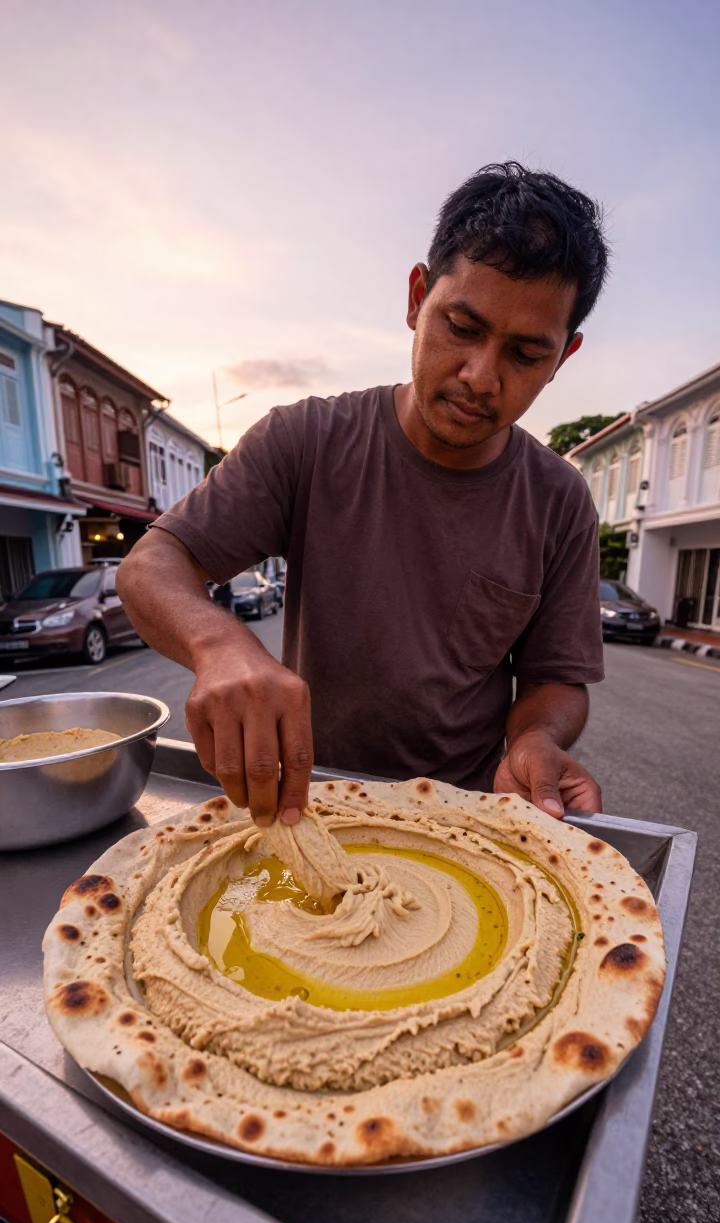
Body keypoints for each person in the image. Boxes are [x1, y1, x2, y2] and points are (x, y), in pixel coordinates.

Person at [117, 162, 607, 830]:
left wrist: (534, 740)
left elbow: (556, 677)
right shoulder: (308, 439)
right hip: (307, 806)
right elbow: (153, 563)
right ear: (416, 298)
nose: (480, 376)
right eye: (462, 327)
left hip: (466, 822)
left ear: (564, 357)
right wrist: (218, 645)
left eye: (525, 355)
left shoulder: (560, 500)